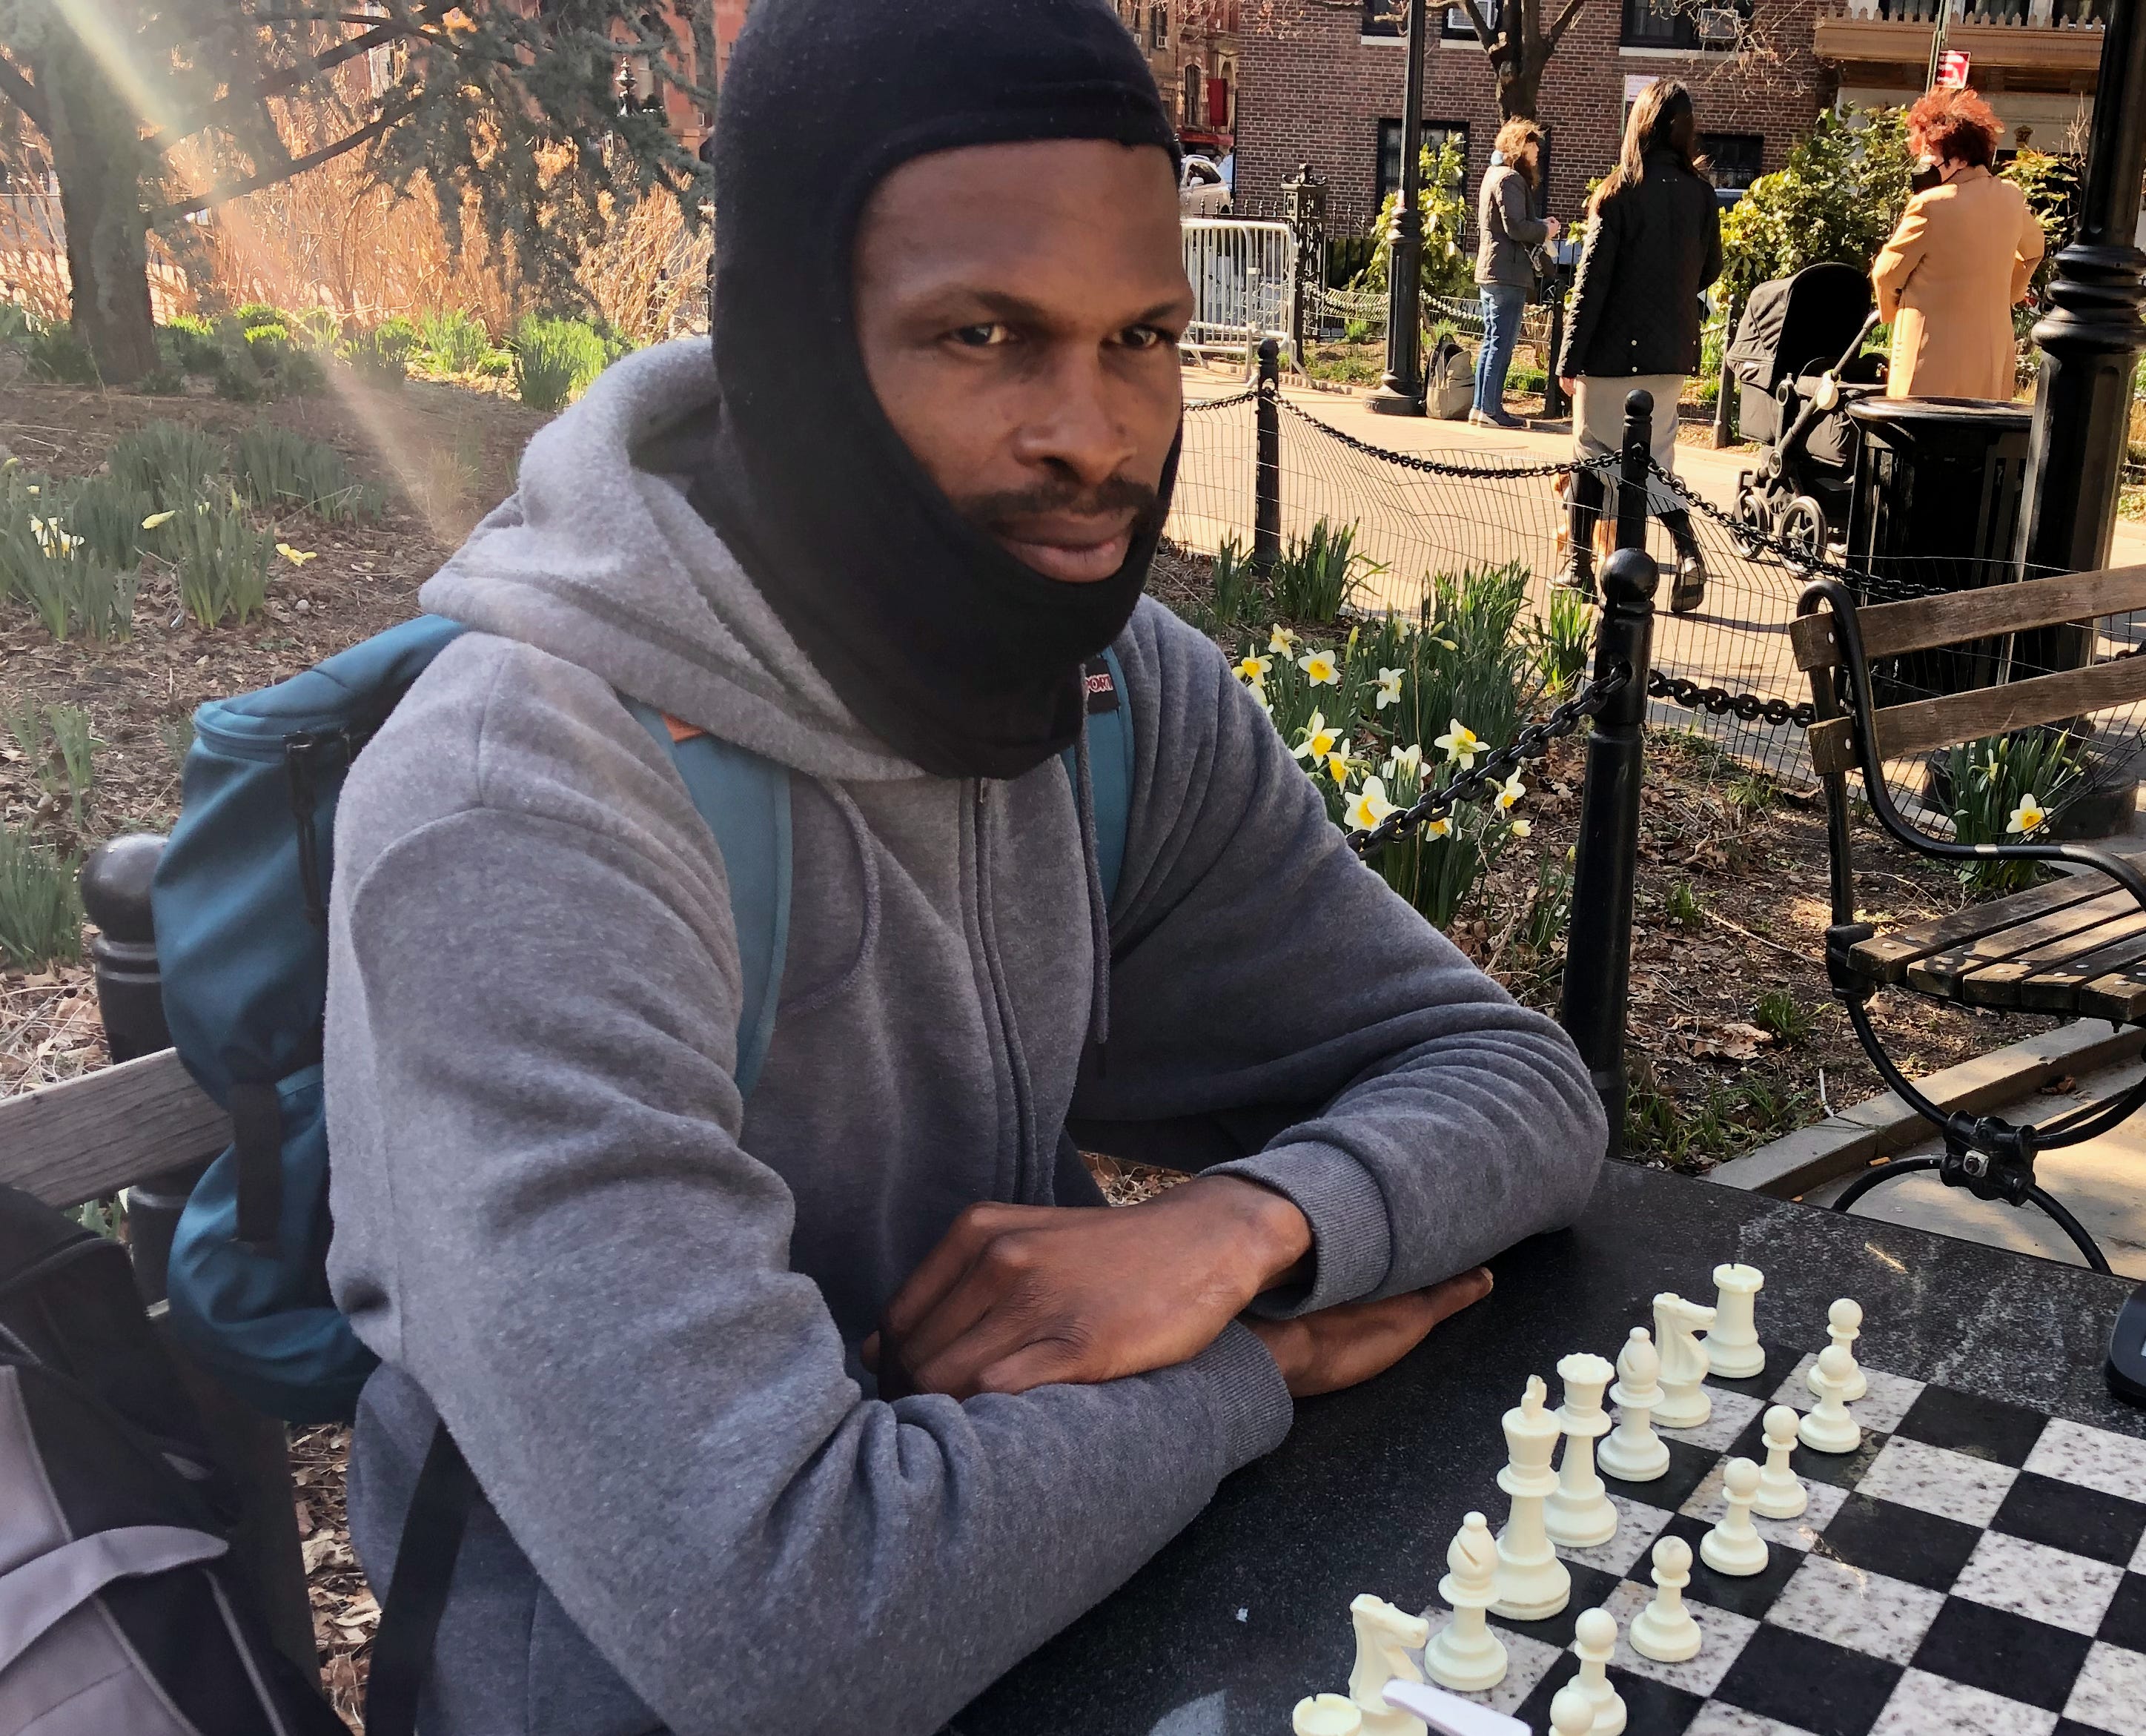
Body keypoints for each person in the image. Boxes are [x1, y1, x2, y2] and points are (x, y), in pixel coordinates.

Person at [321, 2, 1608, 1731]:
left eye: (1144, 334)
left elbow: (1517, 1082)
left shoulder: (1112, 693)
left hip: (1064, 1604)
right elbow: (779, 1618)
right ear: (794, 340)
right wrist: (1262, 1361)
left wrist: (1242, 1228)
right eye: (985, 332)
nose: (1095, 434)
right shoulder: (522, 810)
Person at [1556, 78, 1723, 615]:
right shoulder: (1701, 192)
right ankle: (1689, 553)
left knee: (1590, 457)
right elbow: (1712, 267)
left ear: (1640, 123)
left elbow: (1591, 285)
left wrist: (1568, 361)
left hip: (1610, 356)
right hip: (1670, 354)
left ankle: (1578, 566)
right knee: (1655, 464)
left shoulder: (1620, 191)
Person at [1870, 87, 2044, 402]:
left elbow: (1886, 273)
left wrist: (1891, 312)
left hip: (1930, 358)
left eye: (1932, 155)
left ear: (1960, 158)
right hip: (1990, 358)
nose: (1924, 163)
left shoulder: (1931, 204)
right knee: (1979, 442)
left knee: (1919, 440)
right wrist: (2009, 293)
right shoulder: (2010, 196)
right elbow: (2034, 250)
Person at [1473, 117, 1562, 431]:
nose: (1538, 151)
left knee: (1490, 340)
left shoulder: (1493, 174)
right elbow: (1515, 227)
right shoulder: (1510, 178)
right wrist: (1546, 229)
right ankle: (1492, 410)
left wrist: (1538, 225)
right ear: (1519, 146)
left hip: (1491, 269)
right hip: (1506, 271)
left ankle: (1480, 406)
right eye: (1533, 144)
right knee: (1502, 341)